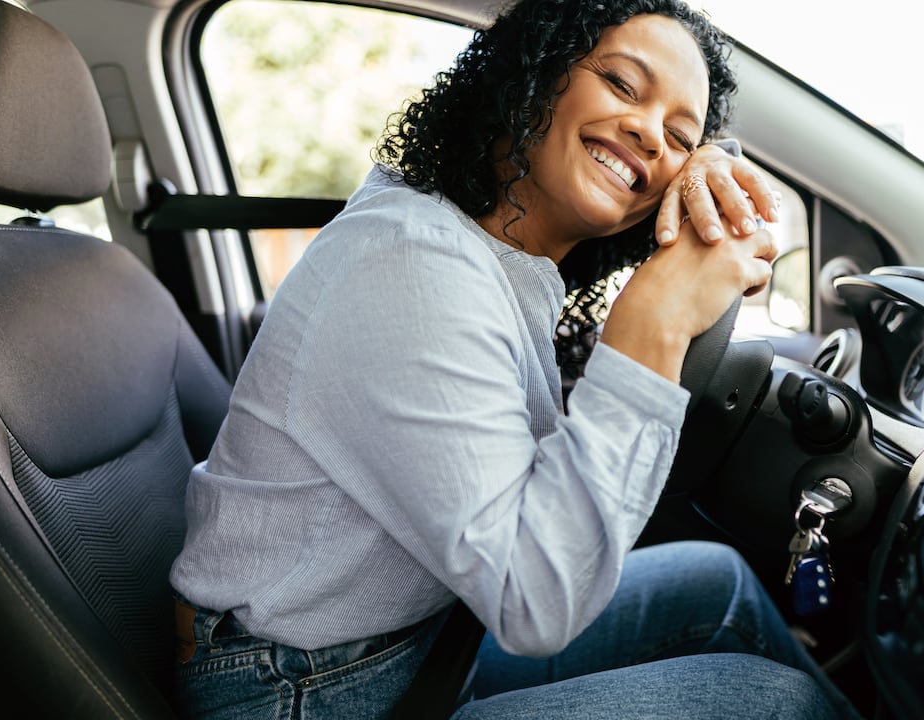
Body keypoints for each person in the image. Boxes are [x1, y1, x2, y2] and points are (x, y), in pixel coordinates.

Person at [169, 0, 855, 718]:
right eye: (623, 86)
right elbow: (535, 603)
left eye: (679, 136)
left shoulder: (490, 253)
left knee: (717, 580)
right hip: (295, 686)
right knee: (773, 703)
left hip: (418, 641)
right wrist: (655, 323)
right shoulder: (411, 262)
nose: (651, 134)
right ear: (531, 74)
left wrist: (713, 167)